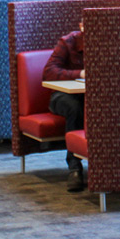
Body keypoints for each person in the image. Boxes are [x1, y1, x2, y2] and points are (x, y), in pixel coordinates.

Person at [43, 23, 86, 192]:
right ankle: (74, 168)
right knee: (74, 107)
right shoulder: (68, 42)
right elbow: (49, 72)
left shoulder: (109, 43)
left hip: (89, 95)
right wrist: (80, 73)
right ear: (82, 26)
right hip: (62, 96)